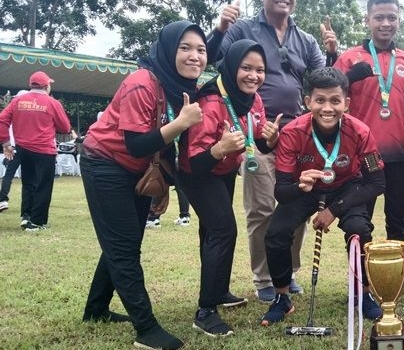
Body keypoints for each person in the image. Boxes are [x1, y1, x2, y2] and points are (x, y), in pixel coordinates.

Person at [79, 20, 206, 350]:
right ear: (167, 50)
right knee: (124, 248)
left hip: (133, 169)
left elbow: (156, 147)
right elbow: (136, 144)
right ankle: (146, 329)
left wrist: (164, 181)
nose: (195, 56)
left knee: (126, 241)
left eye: (201, 50)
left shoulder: (175, 85)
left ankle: (95, 310)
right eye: (185, 48)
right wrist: (180, 124)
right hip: (105, 163)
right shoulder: (142, 83)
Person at [208, 0, 338, 301]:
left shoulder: (304, 39)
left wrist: (332, 54)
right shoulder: (243, 29)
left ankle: (286, 271)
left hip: (297, 138)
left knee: (297, 209)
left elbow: (324, 82)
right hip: (256, 134)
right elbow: (215, 58)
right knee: (262, 210)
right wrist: (219, 29)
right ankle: (264, 278)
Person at [259, 67, 384, 325]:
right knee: (276, 233)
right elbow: (281, 192)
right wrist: (299, 186)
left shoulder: (361, 132)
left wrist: (333, 210)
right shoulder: (292, 132)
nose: (328, 108)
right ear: (307, 102)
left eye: (335, 101)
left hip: (346, 187)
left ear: (346, 104)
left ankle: (363, 294)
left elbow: (377, 183)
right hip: (307, 187)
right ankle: (282, 297)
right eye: (320, 100)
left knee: (359, 229)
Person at [178, 39, 281, 337]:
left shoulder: (252, 98)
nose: (254, 76)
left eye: (260, 70)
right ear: (232, 67)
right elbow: (194, 161)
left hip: (222, 171)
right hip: (196, 173)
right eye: (246, 68)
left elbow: (258, 141)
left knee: (212, 232)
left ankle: (219, 291)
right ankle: (205, 311)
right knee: (223, 231)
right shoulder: (211, 103)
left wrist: (270, 138)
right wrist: (220, 148)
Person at [333, 0, 404, 245]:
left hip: (399, 154)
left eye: (391, 17)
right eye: (379, 18)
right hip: (363, 155)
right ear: (367, 20)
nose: (386, 23)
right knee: (359, 220)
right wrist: (348, 78)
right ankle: (362, 280)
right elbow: (327, 95)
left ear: (399, 20)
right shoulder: (349, 57)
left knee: (399, 221)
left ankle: (395, 278)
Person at [0, 71, 71, 231]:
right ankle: (37, 222)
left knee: (29, 183)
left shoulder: (17, 101)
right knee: (43, 185)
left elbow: (2, 120)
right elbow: (65, 127)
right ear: (46, 86)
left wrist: (6, 143)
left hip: (23, 149)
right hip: (44, 149)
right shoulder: (52, 103)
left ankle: (26, 216)